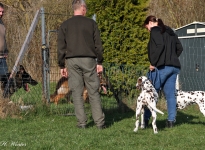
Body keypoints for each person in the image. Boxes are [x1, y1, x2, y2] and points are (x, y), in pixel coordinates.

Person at [57, 0, 105, 129]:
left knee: (76, 92)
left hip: (72, 60)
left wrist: (62, 65)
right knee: (93, 90)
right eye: (86, 8)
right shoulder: (91, 23)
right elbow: (98, 45)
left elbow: (61, 47)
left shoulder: (65, 25)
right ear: (83, 8)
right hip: (89, 59)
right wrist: (99, 62)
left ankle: (81, 123)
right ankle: (100, 123)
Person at [143, 15, 183, 128]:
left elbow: (160, 45)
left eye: (147, 27)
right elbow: (180, 48)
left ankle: (145, 120)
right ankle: (171, 121)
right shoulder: (170, 32)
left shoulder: (155, 31)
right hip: (174, 67)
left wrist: (153, 63)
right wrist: (172, 58)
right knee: (170, 95)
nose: (148, 30)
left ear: (150, 22)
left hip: (162, 67)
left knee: (151, 93)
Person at [0, 3, 8, 87]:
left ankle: (5, 99)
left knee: (5, 79)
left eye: (2, 12)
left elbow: (4, 38)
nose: (1, 14)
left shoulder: (2, 23)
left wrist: (6, 51)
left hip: (2, 57)